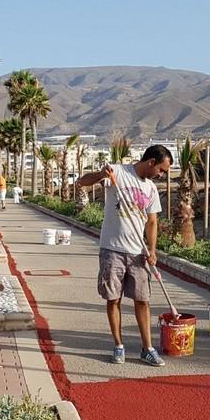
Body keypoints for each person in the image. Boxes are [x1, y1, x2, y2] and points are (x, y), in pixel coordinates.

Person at [77, 145, 173, 366]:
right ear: (151, 162)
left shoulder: (151, 189)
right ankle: (118, 345)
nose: (161, 175)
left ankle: (147, 348)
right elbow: (83, 181)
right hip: (112, 249)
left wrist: (152, 249)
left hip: (138, 253)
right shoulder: (117, 172)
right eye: (161, 170)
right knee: (113, 299)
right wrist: (102, 174)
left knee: (143, 300)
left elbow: (151, 222)